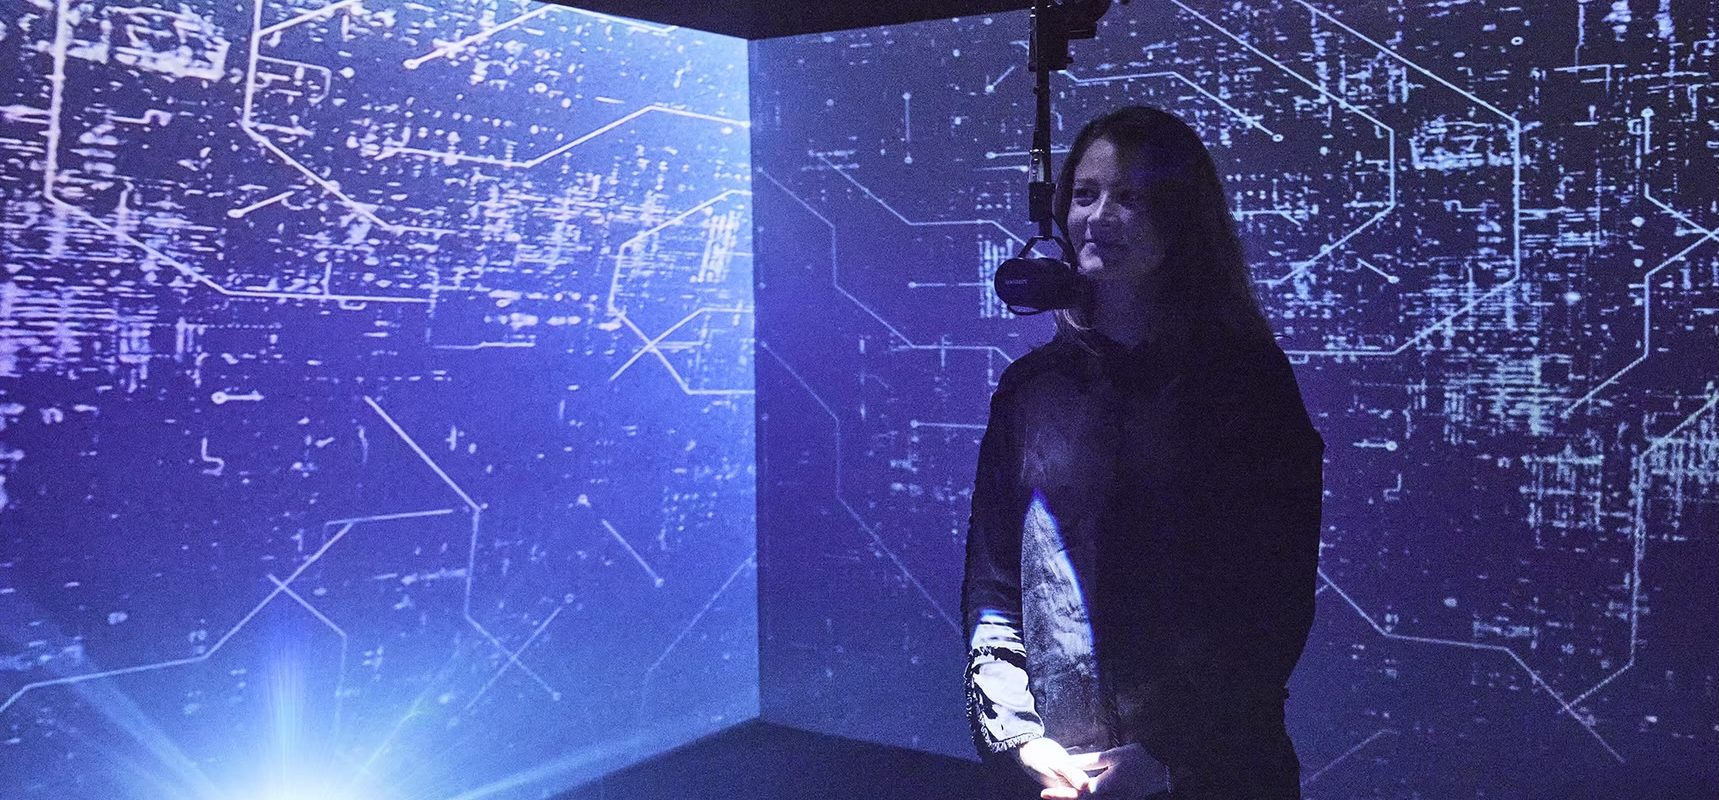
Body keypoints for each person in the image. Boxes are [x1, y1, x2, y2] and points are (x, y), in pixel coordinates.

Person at [962, 105, 1325, 799]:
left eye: (1130, 197)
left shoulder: (1246, 384)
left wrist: (1170, 761)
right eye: (1085, 193)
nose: (1099, 217)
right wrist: (1018, 738)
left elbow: (1271, 605)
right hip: (1061, 774)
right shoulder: (1029, 390)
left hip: (1215, 778)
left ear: (1181, 217)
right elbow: (995, 587)